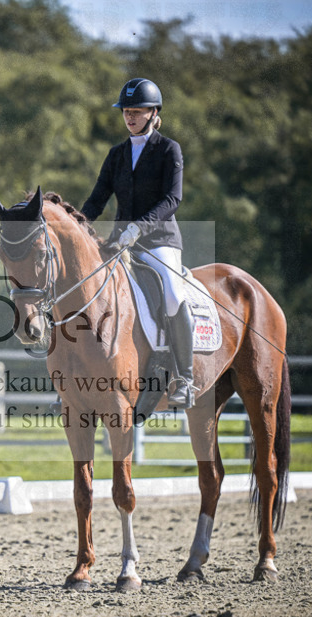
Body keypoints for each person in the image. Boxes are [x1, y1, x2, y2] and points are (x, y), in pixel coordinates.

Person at [80, 77, 194, 409]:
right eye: (126, 111)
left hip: (159, 241)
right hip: (120, 243)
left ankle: (184, 378)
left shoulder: (168, 149)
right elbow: (97, 199)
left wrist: (139, 229)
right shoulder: (116, 154)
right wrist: (79, 227)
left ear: (153, 113)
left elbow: (173, 198)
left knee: (172, 292)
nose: (130, 117)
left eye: (137, 111)